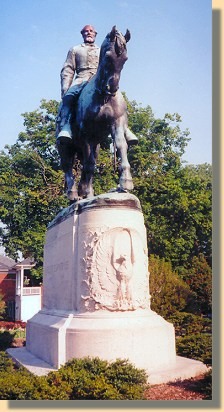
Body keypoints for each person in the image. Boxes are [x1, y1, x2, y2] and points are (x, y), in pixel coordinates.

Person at [56, 24, 100, 141]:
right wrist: (65, 88)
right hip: (82, 78)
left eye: (91, 31)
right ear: (82, 34)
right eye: (86, 31)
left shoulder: (102, 50)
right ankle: (66, 125)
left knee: (117, 99)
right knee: (69, 98)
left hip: (99, 80)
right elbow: (68, 69)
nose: (89, 33)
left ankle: (123, 128)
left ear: (95, 34)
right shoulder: (75, 49)